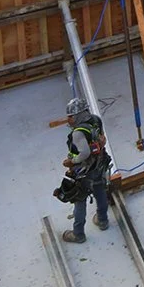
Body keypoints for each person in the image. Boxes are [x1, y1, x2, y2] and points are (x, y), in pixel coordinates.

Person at [60, 95, 112, 244]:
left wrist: (72, 162)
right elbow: (102, 138)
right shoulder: (95, 119)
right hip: (99, 164)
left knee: (79, 200)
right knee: (100, 191)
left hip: (84, 172)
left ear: (78, 114)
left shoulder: (78, 133)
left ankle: (78, 234)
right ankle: (102, 220)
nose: (68, 119)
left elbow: (84, 153)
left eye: (70, 116)